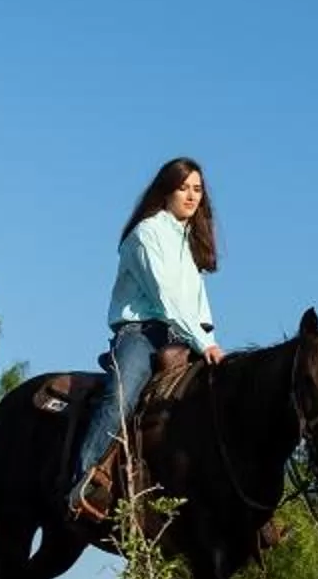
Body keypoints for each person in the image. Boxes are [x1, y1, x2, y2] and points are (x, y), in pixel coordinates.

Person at [68, 157, 226, 524]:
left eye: (197, 189)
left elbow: (197, 307)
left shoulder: (190, 243)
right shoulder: (146, 234)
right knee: (123, 393)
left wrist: (210, 341)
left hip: (185, 336)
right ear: (166, 190)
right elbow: (167, 299)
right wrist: (205, 346)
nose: (191, 196)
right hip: (142, 333)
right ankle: (85, 480)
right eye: (183, 187)